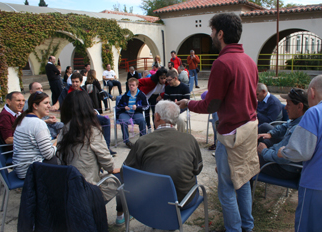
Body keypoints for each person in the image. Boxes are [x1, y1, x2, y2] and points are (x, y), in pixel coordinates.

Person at [177, 13, 259, 232]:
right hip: (249, 131)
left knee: (227, 189)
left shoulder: (222, 63)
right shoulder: (249, 60)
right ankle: (247, 226)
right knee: (242, 182)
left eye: (212, 31)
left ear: (220, 33)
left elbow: (211, 105)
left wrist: (188, 104)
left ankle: (234, 229)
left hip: (231, 135)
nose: (211, 35)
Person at [278, 75, 322, 231]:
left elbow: (300, 151)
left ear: (312, 92)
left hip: (320, 188)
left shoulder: (315, 112)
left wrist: (283, 152)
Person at [56, 90, 124, 224]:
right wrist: (111, 169)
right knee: (123, 176)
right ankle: (120, 217)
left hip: (68, 189)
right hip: (88, 191)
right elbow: (107, 161)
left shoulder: (63, 131)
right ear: (88, 107)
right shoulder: (91, 131)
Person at [124, 100, 203, 207]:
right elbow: (197, 169)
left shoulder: (142, 141)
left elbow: (126, 172)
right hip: (183, 202)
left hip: (151, 202)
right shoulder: (190, 139)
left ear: (157, 116)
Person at [50, 73, 116, 155]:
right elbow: (59, 102)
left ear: (81, 82)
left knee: (105, 120)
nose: (74, 84)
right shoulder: (66, 90)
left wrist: (92, 111)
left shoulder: (83, 91)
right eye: (73, 82)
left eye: (76, 82)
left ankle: (106, 147)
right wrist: (54, 107)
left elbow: (88, 104)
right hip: (73, 118)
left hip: (86, 115)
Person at [257, 88, 308, 180]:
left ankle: (245, 190)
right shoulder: (300, 118)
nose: (285, 107)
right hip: (284, 159)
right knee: (265, 129)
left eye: (288, 105)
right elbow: (285, 126)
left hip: (286, 169)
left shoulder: (299, 129)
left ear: (300, 107)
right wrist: (271, 134)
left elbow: (282, 157)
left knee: (250, 158)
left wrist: (264, 151)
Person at [12, 92, 57, 179]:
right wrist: (58, 141)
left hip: (21, 167)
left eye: (49, 103)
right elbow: (49, 154)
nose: (49, 106)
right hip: (29, 170)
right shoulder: (38, 123)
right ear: (35, 106)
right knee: (66, 159)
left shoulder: (24, 118)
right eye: (45, 103)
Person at [117, 78, 148, 149]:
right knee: (123, 121)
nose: (131, 87)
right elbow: (118, 106)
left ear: (137, 85)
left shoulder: (141, 95)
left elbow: (146, 106)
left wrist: (137, 107)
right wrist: (124, 107)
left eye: (133, 85)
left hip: (136, 112)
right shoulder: (125, 95)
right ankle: (127, 141)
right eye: (130, 85)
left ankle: (143, 140)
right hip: (125, 113)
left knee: (142, 121)